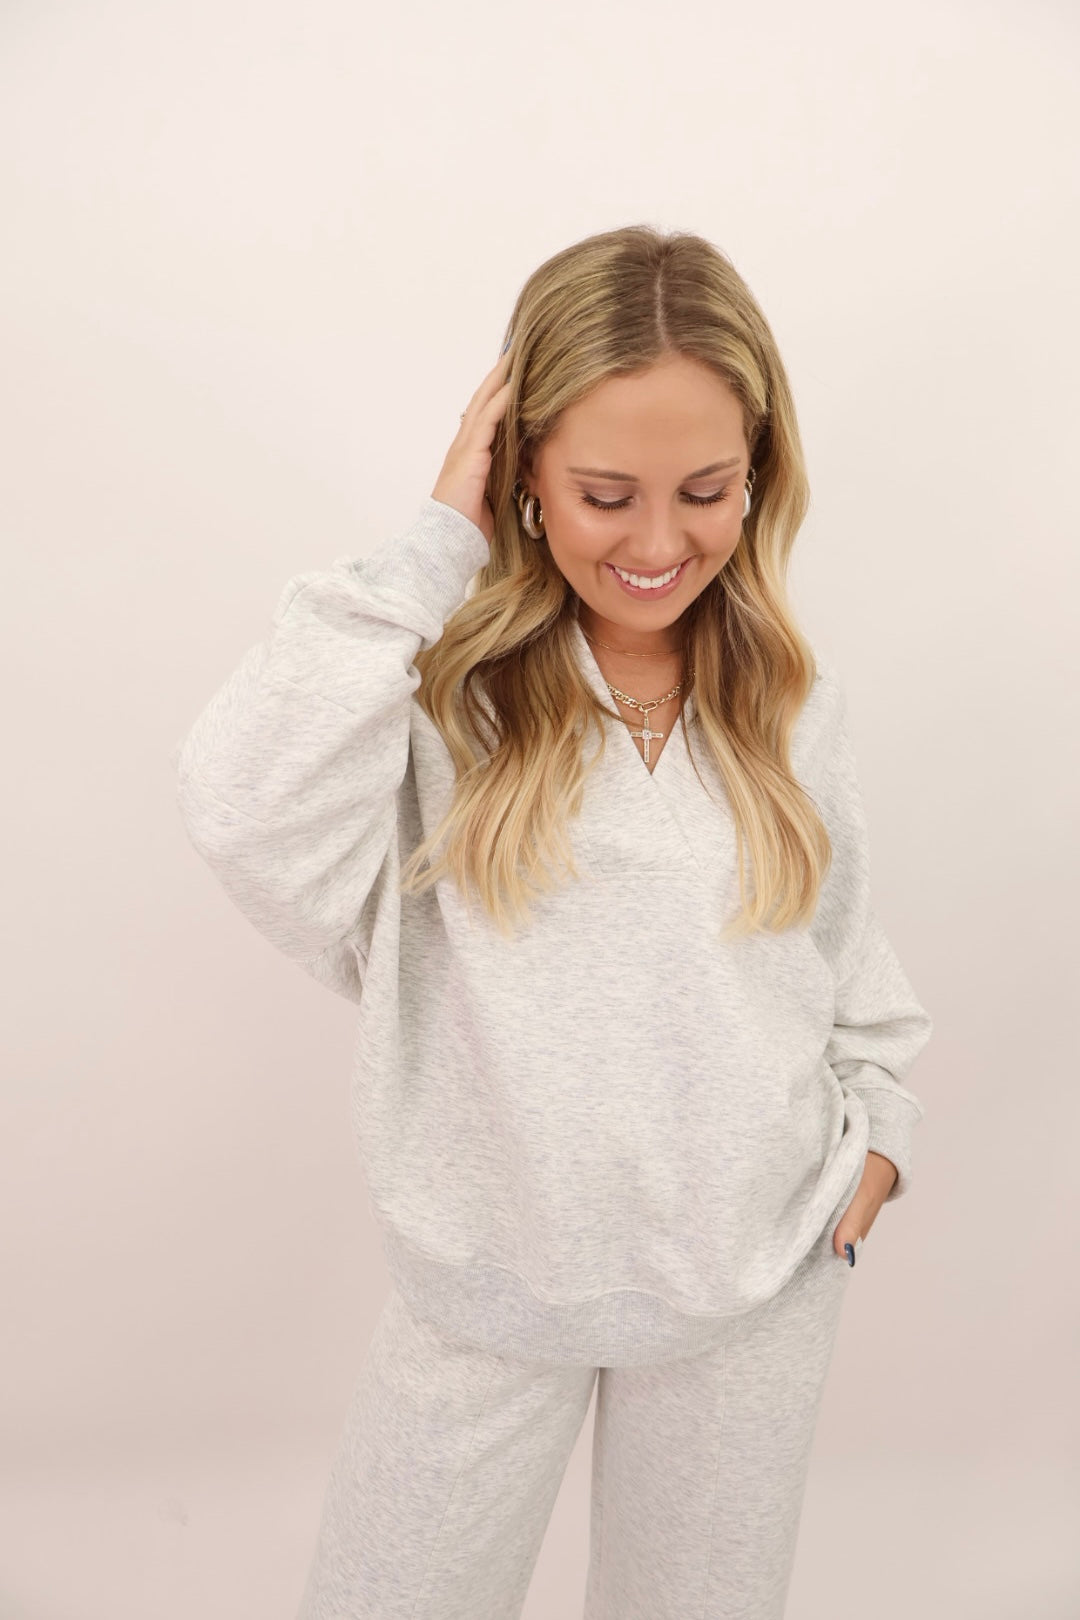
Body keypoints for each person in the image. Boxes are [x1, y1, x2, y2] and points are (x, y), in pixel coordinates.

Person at [172, 224, 933, 1620]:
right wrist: (432, 546)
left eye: (706, 490)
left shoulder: (788, 701)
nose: (659, 543)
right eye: (603, 494)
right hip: (484, 1292)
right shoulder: (433, 699)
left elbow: (839, 954)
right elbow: (240, 807)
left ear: (758, 471)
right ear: (518, 469)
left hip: (753, 1284)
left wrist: (877, 1132)